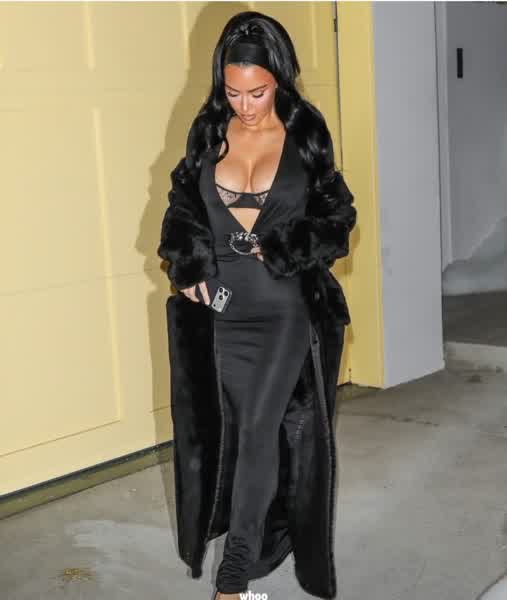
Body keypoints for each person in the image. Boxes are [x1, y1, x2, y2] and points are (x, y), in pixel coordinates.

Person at [158, 11, 357, 600]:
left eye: (258, 92)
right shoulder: (207, 132)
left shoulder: (306, 134)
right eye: (233, 92)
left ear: (280, 79)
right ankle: (250, 543)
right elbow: (180, 204)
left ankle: (234, 578)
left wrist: (291, 245)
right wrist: (188, 262)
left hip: (283, 312)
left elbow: (338, 216)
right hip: (220, 315)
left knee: (256, 430)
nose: (245, 106)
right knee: (228, 436)